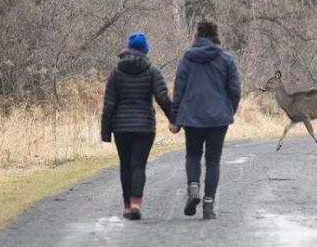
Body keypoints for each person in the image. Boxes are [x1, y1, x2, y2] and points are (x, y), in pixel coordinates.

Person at [169, 20, 241, 219]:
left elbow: (179, 90)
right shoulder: (226, 59)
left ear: (197, 36)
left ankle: (193, 188)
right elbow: (235, 91)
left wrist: (174, 118)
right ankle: (208, 206)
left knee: (192, 155)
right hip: (218, 118)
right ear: (215, 35)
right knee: (213, 160)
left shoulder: (187, 58)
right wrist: (229, 111)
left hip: (191, 117)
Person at [100, 31, 173, 220]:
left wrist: (105, 132)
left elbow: (109, 103)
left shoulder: (116, 72)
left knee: (125, 165)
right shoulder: (152, 70)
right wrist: (175, 119)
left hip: (121, 127)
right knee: (138, 164)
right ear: (145, 50)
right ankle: (135, 203)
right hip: (145, 127)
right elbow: (163, 98)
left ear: (129, 48)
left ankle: (126, 206)